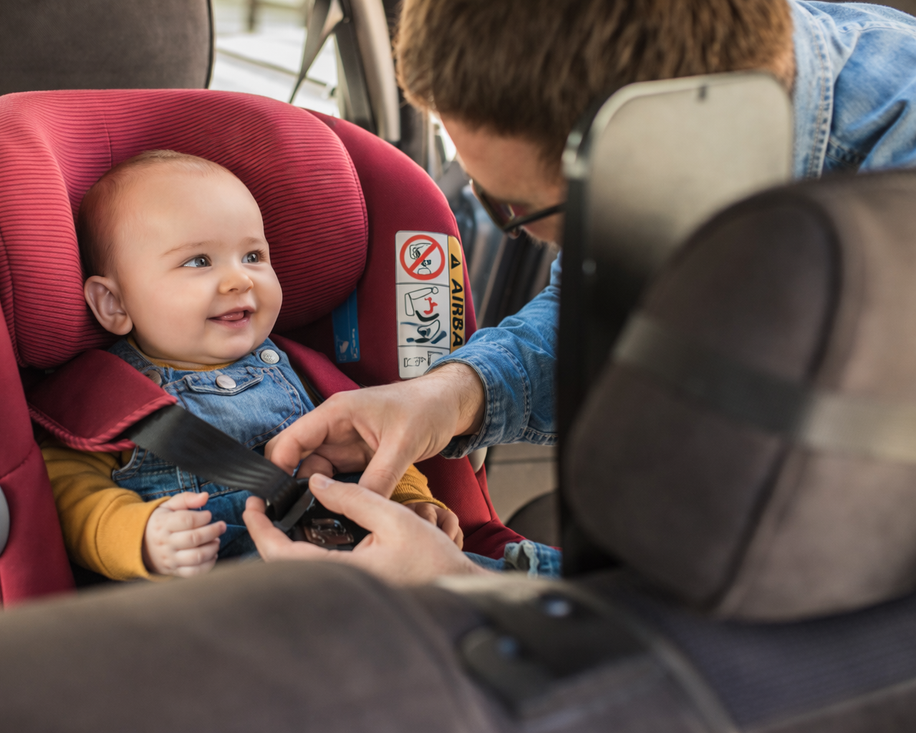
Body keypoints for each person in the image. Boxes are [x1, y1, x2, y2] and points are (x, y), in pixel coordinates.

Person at [247, 0, 916, 581]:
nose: (519, 233)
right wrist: (450, 396)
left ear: (665, 149)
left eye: (521, 208)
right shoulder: (694, 101)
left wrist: (470, 589)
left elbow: (839, 620)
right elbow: (603, 308)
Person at [40, 150, 461, 580]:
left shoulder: (304, 370)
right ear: (114, 303)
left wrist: (409, 502)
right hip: (236, 600)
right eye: (198, 261)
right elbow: (69, 493)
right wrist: (141, 537)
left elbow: (375, 442)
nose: (240, 279)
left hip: (367, 566)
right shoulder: (107, 396)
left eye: (254, 257)